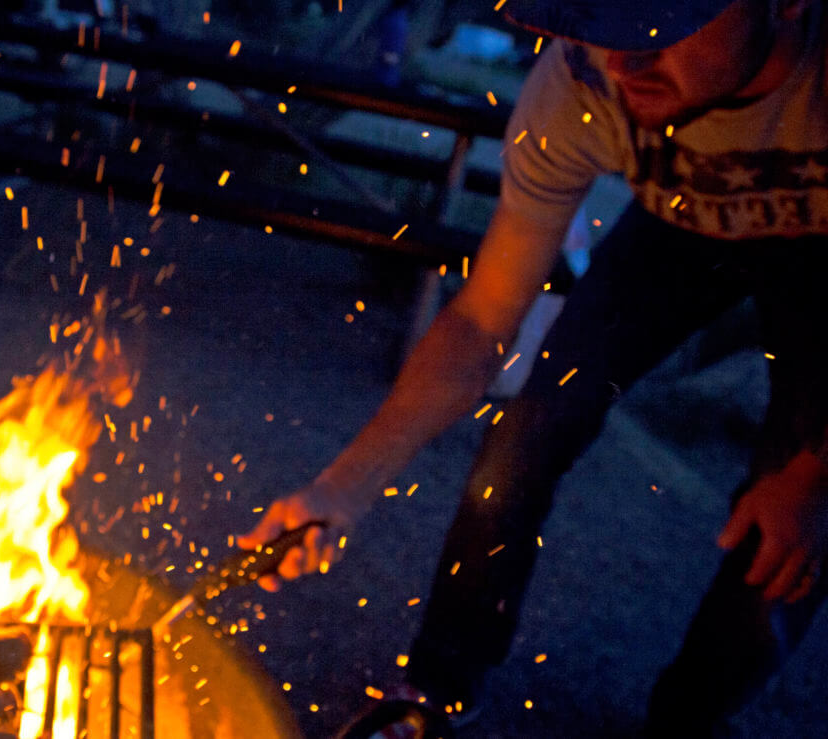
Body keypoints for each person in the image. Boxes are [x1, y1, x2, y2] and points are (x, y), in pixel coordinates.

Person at [238, 0, 828, 733]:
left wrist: (809, 475)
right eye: (610, 25)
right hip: (675, 224)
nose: (624, 62)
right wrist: (343, 484)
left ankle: (690, 718)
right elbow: (484, 319)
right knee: (527, 432)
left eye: (660, 23)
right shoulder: (579, 80)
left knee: (792, 534)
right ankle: (439, 686)